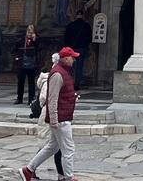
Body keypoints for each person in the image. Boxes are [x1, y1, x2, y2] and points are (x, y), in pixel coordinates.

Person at [21, 46, 79, 181]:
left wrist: (72, 97)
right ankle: (69, 177)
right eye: (72, 57)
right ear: (65, 58)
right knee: (68, 148)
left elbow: (62, 94)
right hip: (60, 118)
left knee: (52, 147)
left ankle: (28, 169)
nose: (74, 60)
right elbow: (52, 98)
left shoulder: (63, 72)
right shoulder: (58, 74)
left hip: (62, 115)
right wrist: (54, 119)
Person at [62, 12, 93, 89]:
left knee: (70, 66)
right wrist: (85, 45)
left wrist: (68, 46)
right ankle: (76, 84)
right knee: (79, 66)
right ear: (82, 16)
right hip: (81, 48)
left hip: (71, 49)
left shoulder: (70, 25)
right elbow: (89, 38)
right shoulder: (86, 26)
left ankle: (69, 82)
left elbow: (66, 37)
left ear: (76, 16)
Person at [14, 24, 40, 105]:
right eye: (28, 32)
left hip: (32, 63)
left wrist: (35, 40)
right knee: (20, 81)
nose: (29, 34)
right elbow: (15, 49)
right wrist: (17, 57)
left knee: (31, 82)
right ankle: (19, 98)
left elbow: (39, 49)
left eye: (31, 32)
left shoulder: (36, 41)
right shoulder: (21, 40)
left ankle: (31, 99)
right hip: (22, 62)